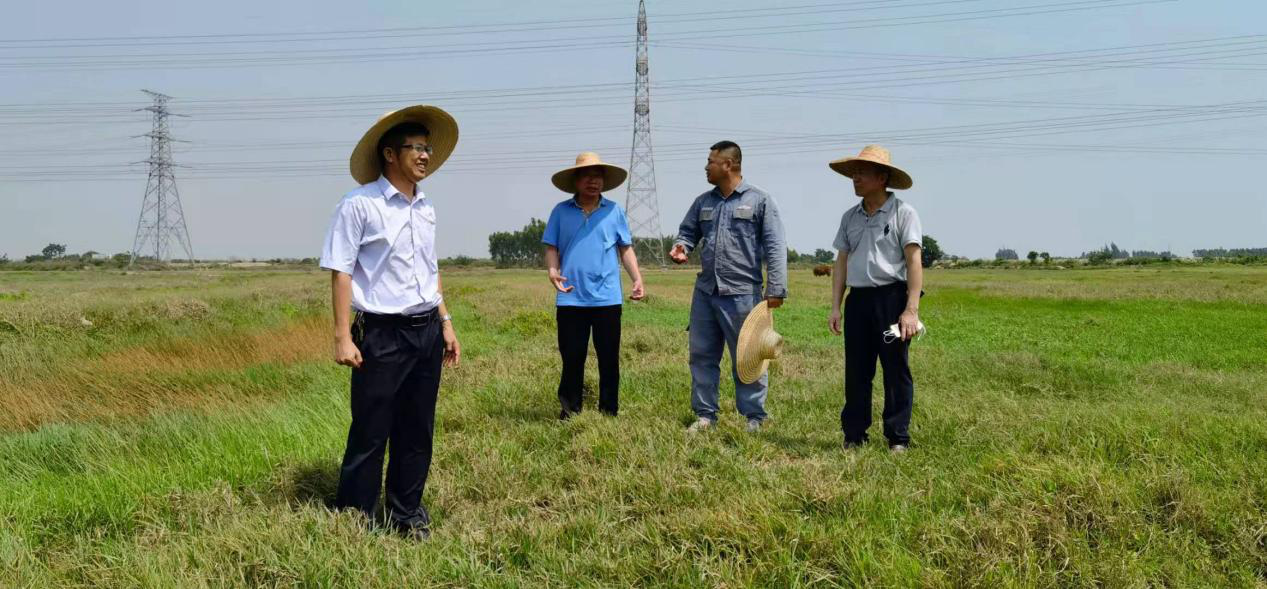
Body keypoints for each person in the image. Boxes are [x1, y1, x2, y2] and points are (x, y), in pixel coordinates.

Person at [319, 105, 461, 538]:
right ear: (389, 154)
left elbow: (430, 268)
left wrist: (445, 321)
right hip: (380, 333)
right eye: (415, 148)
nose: (425, 156)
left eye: (427, 148)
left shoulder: (426, 207)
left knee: (417, 429)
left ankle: (406, 514)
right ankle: (355, 518)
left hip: (426, 330)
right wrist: (342, 337)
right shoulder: (359, 205)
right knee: (371, 429)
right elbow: (341, 271)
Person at [670, 141, 787, 433]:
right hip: (706, 292)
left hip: (743, 294)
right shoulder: (703, 202)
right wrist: (682, 246)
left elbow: (775, 246)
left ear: (728, 165)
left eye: (711, 162)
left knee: (748, 356)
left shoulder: (760, 201)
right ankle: (705, 415)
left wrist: (776, 288)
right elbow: (687, 232)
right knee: (701, 355)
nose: (706, 167)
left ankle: (754, 417)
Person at [826, 145, 923, 454]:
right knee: (857, 370)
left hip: (891, 303)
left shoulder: (903, 213)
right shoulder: (849, 217)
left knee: (895, 368)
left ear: (882, 178)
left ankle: (898, 437)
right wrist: (836, 306)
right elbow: (841, 262)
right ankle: (854, 435)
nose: (855, 178)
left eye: (862, 173)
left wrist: (910, 310)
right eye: (854, 173)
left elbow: (914, 262)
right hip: (858, 303)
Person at [542, 152, 645, 418]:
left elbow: (625, 248)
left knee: (609, 357)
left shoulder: (614, 211)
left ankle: (609, 411)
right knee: (572, 357)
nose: (593, 181)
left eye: (598, 176)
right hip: (570, 296)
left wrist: (636, 278)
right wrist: (553, 271)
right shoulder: (560, 212)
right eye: (587, 176)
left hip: (607, 298)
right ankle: (570, 410)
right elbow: (551, 247)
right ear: (575, 181)